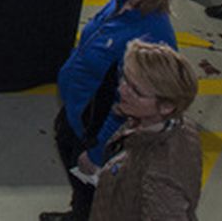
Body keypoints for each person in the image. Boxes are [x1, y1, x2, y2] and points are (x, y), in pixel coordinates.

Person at [41, 0, 180, 221]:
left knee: (93, 190)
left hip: (95, 127)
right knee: (77, 179)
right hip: (78, 110)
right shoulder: (122, 2)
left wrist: (96, 152)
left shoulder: (150, 38)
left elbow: (127, 106)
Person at [85, 41, 203, 221]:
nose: (122, 90)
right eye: (125, 78)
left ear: (166, 106)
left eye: (136, 91)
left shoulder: (160, 178)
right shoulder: (175, 125)